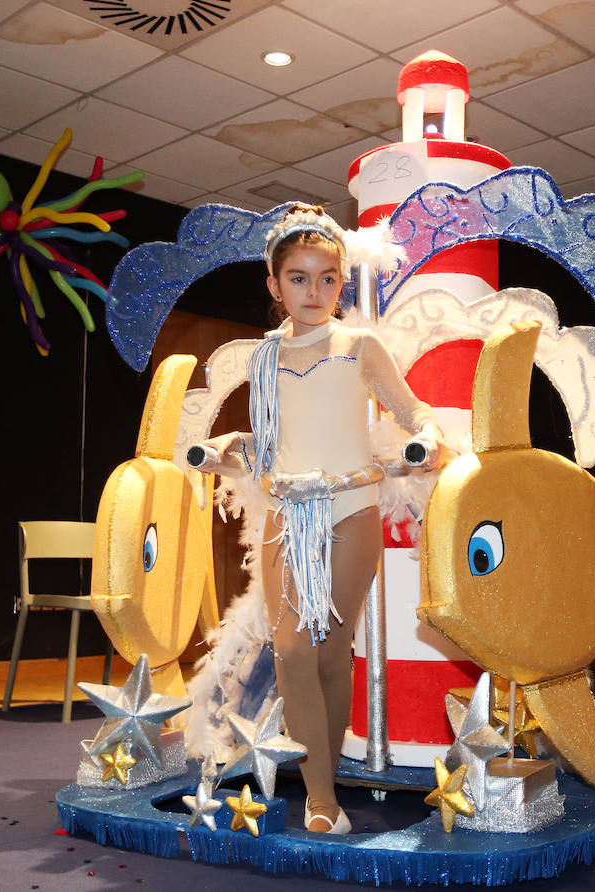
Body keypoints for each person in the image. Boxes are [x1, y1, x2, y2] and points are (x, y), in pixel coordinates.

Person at [199, 204, 443, 834]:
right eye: (299, 278)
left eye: (327, 277)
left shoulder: (359, 346)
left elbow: (414, 415)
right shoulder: (264, 359)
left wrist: (432, 436)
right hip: (287, 516)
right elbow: (271, 444)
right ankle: (322, 798)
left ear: (342, 282)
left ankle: (323, 787)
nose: (315, 291)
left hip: (352, 513)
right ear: (275, 286)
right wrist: (236, 447)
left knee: (333, 654)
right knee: (290, 649)